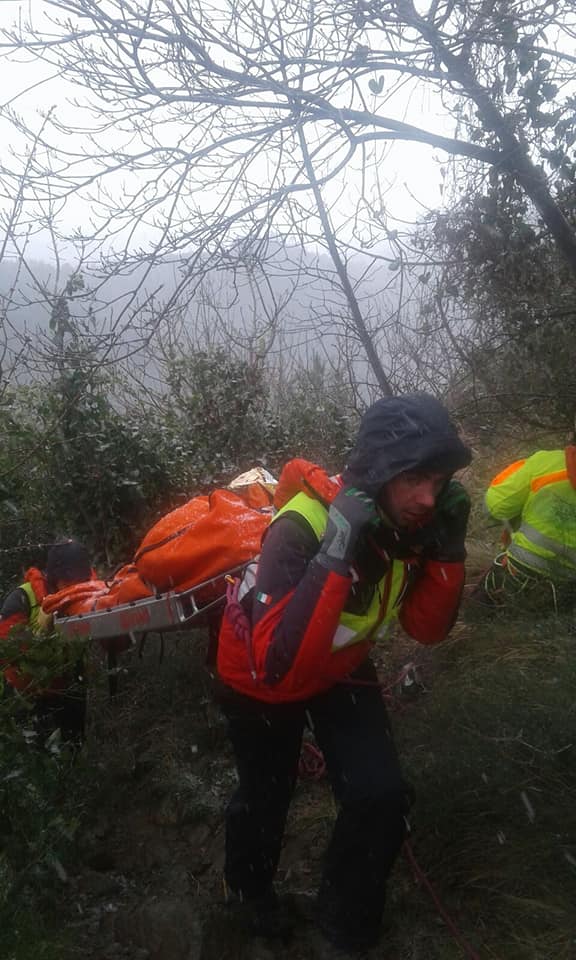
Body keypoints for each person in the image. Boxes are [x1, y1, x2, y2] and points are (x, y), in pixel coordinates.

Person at [216, 393, 472, 956]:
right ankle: (248, 893)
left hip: (341, 664)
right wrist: (337, 546)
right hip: (261, 676)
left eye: (439, 481)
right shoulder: (301, 527)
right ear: (381, 470)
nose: (429, 498)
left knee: (380, 795)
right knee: (266, 794)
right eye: (415, 479)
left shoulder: (406, 523)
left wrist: (449, 549)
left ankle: (344, 920)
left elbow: (425, 629)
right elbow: (279, 666)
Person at [0, 539, 92, 749]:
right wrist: (41, 632)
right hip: (29, 699)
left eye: (80, 581)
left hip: (71, 691)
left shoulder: (88, 594)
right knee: (36, 755)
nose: (75, 588)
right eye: (69, 582)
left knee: (74, 752)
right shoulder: (22, 600)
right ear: (54, 578)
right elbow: (9, 658)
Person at [472, 446, 576, 612]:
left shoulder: (545, 463)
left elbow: (495, 507)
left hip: (520, 571)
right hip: (570, 591)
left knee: (477, 619)